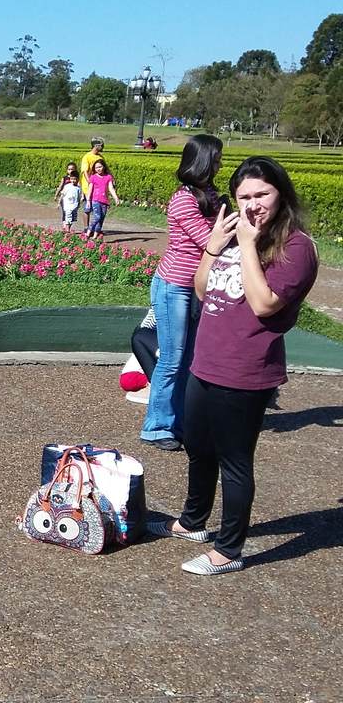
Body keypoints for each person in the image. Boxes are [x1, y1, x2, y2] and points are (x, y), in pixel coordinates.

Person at [149, 157, 318, 576]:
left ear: (281, 193)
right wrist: (213, 246)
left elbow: (263, 304)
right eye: (244, 196)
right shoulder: (235, 235)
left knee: (234, 460)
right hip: (206, 361)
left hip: (245, 370)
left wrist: (246, 244)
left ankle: (229, 550)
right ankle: (193, 522)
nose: (252, 205)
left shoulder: (296, 247)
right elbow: (204, 291)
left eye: (262, 194)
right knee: (198, 449)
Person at [140, 134, 225, 452]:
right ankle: (157, 426)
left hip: (200, 286)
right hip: (173, 285)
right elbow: (209, 240)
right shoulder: (183, 199)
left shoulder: (211, 195)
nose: (219, 163)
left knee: (190, 358)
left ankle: (180, 422)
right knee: (172, 359)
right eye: (216, 158)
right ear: (202, 160)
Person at [85, 160, 120, 239]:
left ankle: (95, 236)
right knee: (97, 217)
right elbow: (90, 189)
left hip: (104, 201)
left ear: (104, 167)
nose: (98, 169)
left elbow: (111, 188)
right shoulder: (93, 177)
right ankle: (88, 233)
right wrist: (88, 201)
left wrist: (116, 198)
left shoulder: (108, 177)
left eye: (100, 167)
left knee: (101, 219)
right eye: (96, 167)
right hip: (95, 200)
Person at [79, 137, 106, 232]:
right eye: (101, 145)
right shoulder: (87, 157)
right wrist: (90, 182)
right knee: (88, 207)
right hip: (88, 187)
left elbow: (106, 170)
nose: (103, 147)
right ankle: (86, 228)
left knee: (97, 208)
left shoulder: (100, 157)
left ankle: (95, 228)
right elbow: (85, 171)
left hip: (99, 187)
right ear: (96, 146)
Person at [53, 161, 81, 233]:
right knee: (65, 212)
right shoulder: (65, 178)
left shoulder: (77, 179)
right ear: (67, 170)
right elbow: (60, 187)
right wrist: (56, 195)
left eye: (72, 169)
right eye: (69, 169)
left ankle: (67, 226)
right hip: (65, 199)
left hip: (74, 200)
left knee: (71, 214)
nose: (70, 171)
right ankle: (65, 227)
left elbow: (80, 189)